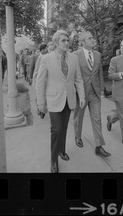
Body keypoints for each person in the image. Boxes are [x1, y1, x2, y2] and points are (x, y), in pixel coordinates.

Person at [36, 30, 85, 173]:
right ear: (56, 42)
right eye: (63, 40)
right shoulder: (46, 58)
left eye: (68, 40)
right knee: (56, 130)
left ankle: (61, 150)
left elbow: (78, 79)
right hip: (53, 99)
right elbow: (39, 82)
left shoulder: (73, 58)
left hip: (69, 99)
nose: (67, 43)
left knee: (63, 128)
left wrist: (81, 96)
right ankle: (53, 160)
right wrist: (41, 103)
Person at [73, 31, 110, 157]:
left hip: (95, 92)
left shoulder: (98, 55)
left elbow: (99, 74)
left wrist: (101, 90)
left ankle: (99, 146)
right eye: (89, 38)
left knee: (97, 118)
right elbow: (73, 76)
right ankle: (77, 136)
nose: (93, 40)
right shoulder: (75, 55)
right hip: (81, 94)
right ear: (82, 42)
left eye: (92, 38)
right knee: (79, 117)